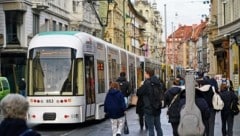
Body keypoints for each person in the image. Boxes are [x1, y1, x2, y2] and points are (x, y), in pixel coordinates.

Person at [137, 68, 163, 136]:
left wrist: (141, 85)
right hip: (157, 108)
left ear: (148, 74)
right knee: (158, 127)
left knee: (151, 128)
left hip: (149, 109)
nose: (144, 75)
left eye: (145, 73)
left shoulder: (146, 83)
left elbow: (139, 92)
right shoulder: (158, 83)